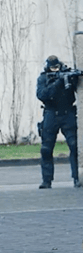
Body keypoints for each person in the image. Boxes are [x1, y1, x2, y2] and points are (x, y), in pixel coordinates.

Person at [36, 55, 82, 189]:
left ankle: (77, 178)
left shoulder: (66, 74)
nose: (55, 70)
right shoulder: (43, 78)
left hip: (67, 113)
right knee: (46, 148)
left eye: (57, 67)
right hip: (51, 113)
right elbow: (42, 94)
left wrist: (71, 78)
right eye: (52, 68)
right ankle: (47, 180)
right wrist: (57, 83)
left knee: (75, 146)